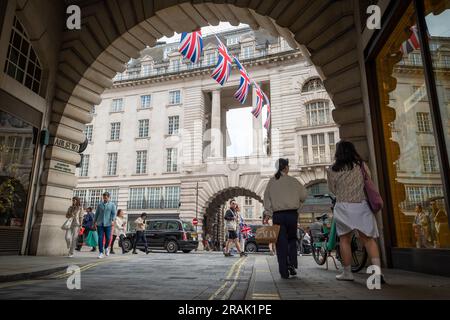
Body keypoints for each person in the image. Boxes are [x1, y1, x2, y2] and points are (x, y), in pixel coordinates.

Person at [327, 140, 385, 282]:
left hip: (343, 207)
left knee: (344, 240)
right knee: (368, 240)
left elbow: (332, 189)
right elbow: (368, 180)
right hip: (361, 206)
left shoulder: (332, 169)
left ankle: (347, 273)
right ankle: (377, 274)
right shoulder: (361, 166)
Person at [263, 158, 307, 279]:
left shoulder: (272, 182)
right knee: (292, 240)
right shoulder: (294, 181)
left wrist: (268, 213)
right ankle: (292, 265)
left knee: (281, 243)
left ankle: (283, 271)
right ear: (286, 168)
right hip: (292, 214)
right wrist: (298, 205)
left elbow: (266, 198)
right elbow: (304, 196)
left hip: (278, 216)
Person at [94, 192, 117, 259]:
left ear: (109, 197)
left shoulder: (112, 205)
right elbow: (96, 214)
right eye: (104, 197)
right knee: (100, 238)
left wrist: (113, 220)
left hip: (108, 224)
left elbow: (114, 214)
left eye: (106, 197)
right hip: (100, 224)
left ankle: (106, 247)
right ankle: (101, 252)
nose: (105, 199)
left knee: (108, 238)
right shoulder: (99, 205)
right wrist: (94, 222)